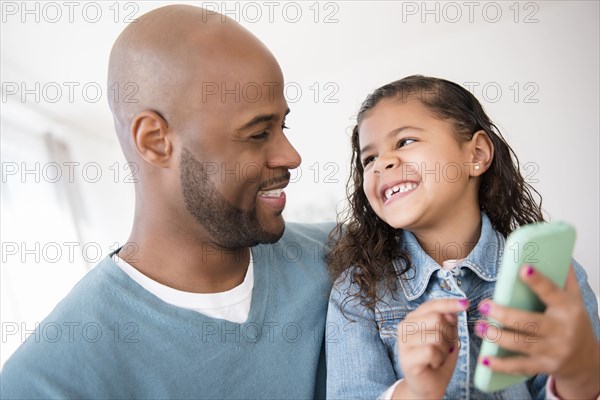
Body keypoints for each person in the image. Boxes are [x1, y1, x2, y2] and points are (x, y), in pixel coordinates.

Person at [1, 5, 332, 399]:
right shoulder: (47, 381)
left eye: (284, 126)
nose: (291, 156)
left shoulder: (347, 256)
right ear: (155, 141)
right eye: (259, 133)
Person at [325, 75, 600, 399]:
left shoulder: (550, 276)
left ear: (477, 154)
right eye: (368, 159)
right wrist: (416, 391)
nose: (382, 163)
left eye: (405, 141)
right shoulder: (356, 293)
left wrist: (580, 376)